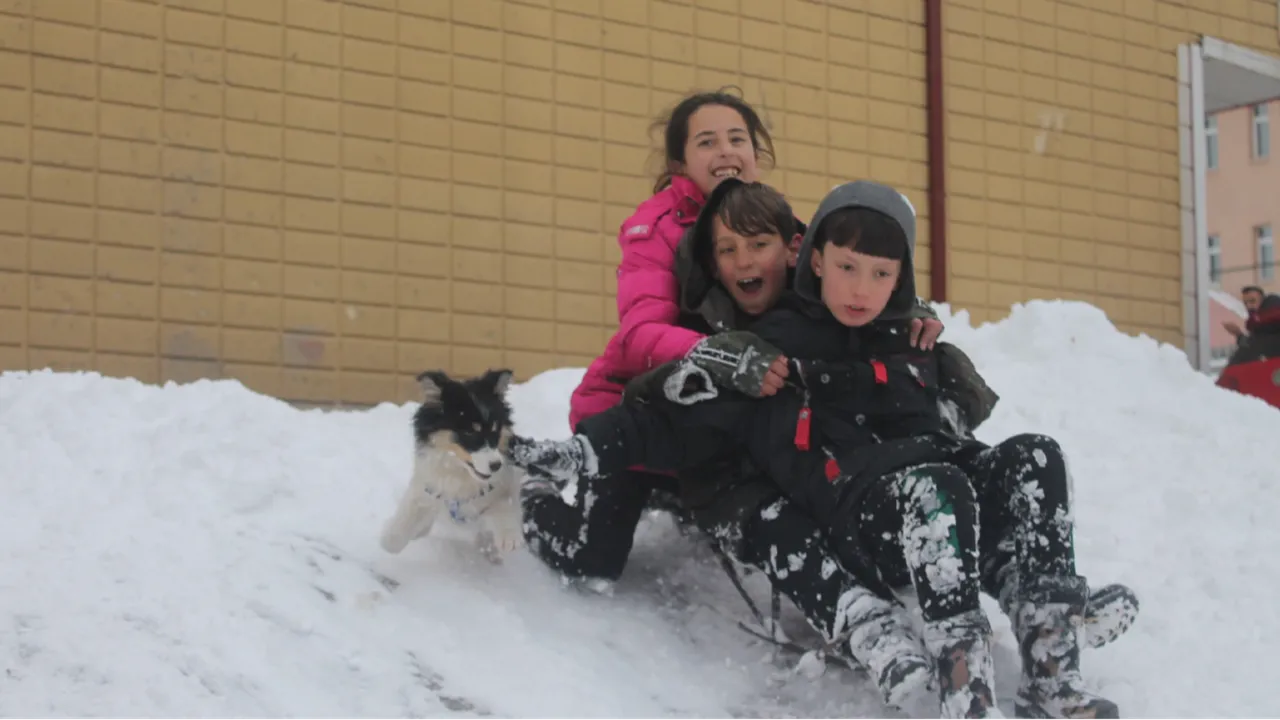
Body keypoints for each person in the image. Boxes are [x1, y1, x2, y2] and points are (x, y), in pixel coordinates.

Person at [510, 179, 1133, 720]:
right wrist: (584, 450)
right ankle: (965, 695)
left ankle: (1052, 665)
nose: (862, 288)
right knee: (937, 486)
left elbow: (959, 421)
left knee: (1036, 456)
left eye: (881, 274)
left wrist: (937, 359)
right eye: (847, 267)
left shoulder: (908, 336)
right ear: (813, 261)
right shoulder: (773, 346)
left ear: (901, 277)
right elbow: (678, 418)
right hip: (861, 511)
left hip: (938, 488)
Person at [519, 89, 950, 710]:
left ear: (757, 153)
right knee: (593, 561)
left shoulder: (780, 223)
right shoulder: (656, 229)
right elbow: (639, 334)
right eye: (706, 141)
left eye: (738, 138)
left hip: (737, 411)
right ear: (679, 164)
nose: (726, 151)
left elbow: (852, 274)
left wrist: (912, 316)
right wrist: (718, 354)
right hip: (641, 409)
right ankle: (536, 494)